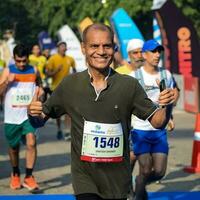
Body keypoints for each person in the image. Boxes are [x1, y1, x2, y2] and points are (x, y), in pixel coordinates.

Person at [28, 23, 176, 200]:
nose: (101, 51)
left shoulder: (129, 85)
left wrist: (167, 107)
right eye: (94, 46)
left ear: (113, 48)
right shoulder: (70, 84)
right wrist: (33, 114)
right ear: (83, 48)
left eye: (106, 46)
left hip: (117, 180)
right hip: (85, 179)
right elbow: (39, 121)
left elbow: (158, 122)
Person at [129, 39, 179, 200]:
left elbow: (168, 100)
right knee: (145, 168)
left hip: (159, 131)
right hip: (140, 130)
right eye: (153, 51)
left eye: (159, 51)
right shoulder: (134, 77)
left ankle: (139, 182)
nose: (157, 55)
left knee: (159, 172)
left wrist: (169, 117)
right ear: (144, 54)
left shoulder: (166, 75)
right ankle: (139, 194)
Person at [0, 44, 42, 191]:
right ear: (14, 59)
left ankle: (29, 177)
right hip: (12, 117)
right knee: (13, 148)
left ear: (28, 58)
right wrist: (6, 82)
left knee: (31, 143)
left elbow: (39, 85)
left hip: (27, 116)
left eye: (24, 61)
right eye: (18, 61)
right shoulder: (7, 71)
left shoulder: (34, 70)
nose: (22, 64)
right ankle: (15, 173)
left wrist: (40, 92)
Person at [116, 38, 144, 199]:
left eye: (141, 52)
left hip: (148, 123)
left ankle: (132, 183)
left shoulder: (152, 72)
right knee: (131, 156)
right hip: (127, 123)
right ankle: (128, 186)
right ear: (129, 54)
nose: (139, 56)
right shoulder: (120, 73)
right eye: (135, 52)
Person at [45, 41, 76, 140]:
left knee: (68, 111)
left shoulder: (70, 59)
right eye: (61, 46)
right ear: (58, 48)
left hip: (67, 88)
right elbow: (48, 74)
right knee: (58, 112)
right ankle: (59, 129)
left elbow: (74, 71)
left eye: (64, 46)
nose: (63, 48)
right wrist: (56, 71)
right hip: (55, 88)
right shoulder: (53, 59)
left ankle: (67, 131)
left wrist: (74, 76)